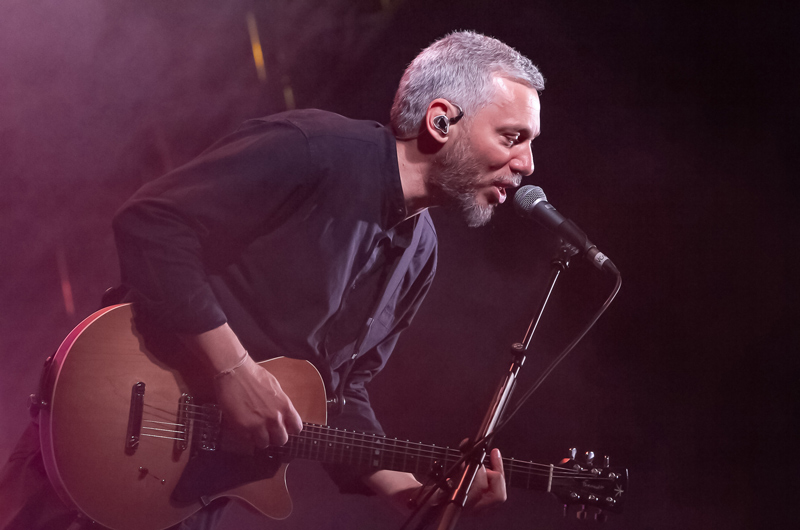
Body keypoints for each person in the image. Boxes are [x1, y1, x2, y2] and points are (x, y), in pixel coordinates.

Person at [0, 30, 544, 529]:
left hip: (187, 496)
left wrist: (412, 492)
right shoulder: (316, 148)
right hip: (105, 435)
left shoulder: (421, 253)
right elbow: (153, 225)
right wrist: (233, 370)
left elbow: (339, 393)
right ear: (441, 120)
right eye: (512, 136)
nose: (527, 164)